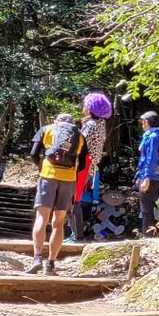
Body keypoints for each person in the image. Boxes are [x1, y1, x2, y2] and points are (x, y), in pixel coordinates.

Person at [28, 111, 87, 275]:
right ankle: (51, 264)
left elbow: (33, 153)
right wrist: (72, 174)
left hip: (48, 175)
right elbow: (82, 164)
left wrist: (41, 167)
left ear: (56, 121)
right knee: (58, 222)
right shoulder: (79, 136)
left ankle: (37, 258)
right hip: (68, 179)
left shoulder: (46, 129)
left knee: (41, 218)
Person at [70, 92, 112, 242]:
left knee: (73, 200)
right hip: (91, 166)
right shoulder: (100, 125)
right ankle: (77, 234)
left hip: (82, 165)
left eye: (85, 105)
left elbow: (79, 145)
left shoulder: (90, 125)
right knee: (76, 200)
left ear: (91, 108)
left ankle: (76, 235)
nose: (83, 108)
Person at [135, 111, 159, 236]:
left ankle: (148, 236)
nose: (142, 124)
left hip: (151, 176)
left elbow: (151, 159)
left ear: (147, 122)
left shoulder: (153, 137)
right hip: (156, 176)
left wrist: (146, 177)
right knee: (149, 207)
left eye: (143, 121)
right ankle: (150, 235)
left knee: (146, 209)